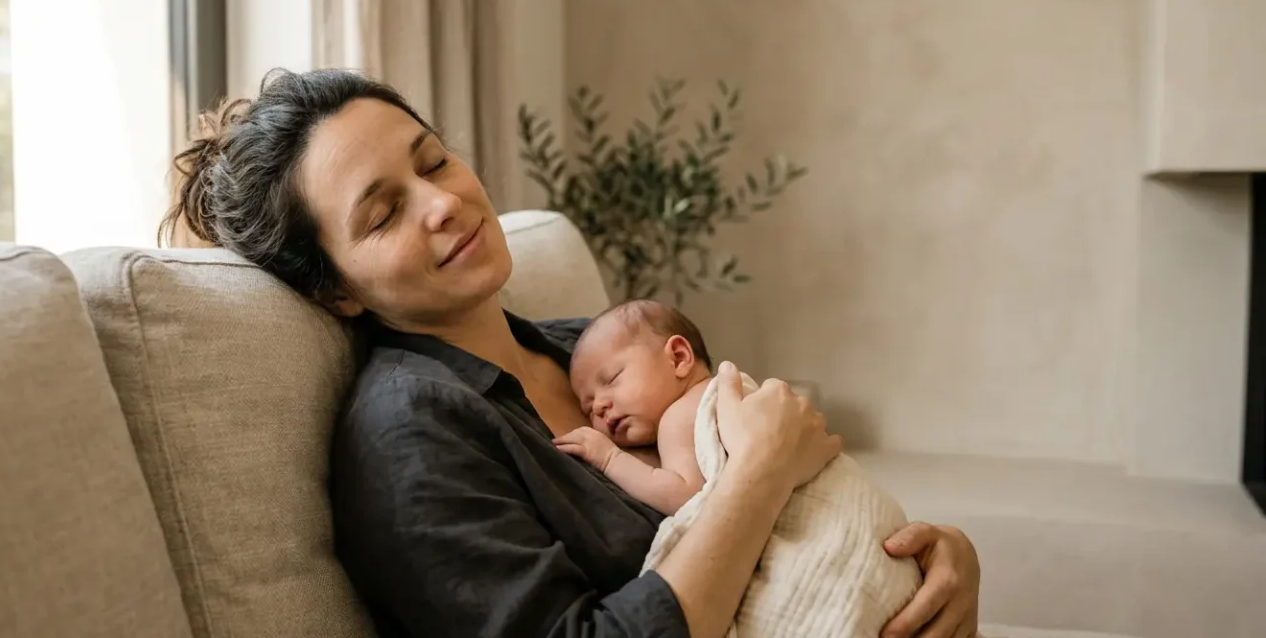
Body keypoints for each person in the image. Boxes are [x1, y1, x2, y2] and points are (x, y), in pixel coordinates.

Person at [160, 68, 983, 638]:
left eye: (435, 160)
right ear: (339, 290)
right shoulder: (408, 433)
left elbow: (773, 482)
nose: (445, 203)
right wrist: (761, 478)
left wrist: (929, 558)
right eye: (383, 215)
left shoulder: (580, 348)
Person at [555, 299, 714, 516]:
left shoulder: (678, 419)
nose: (600, 406)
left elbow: (688, 501)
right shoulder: (721, 390)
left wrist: (610, 458)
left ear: (678, 358)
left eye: (611, 379)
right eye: (589, 409)